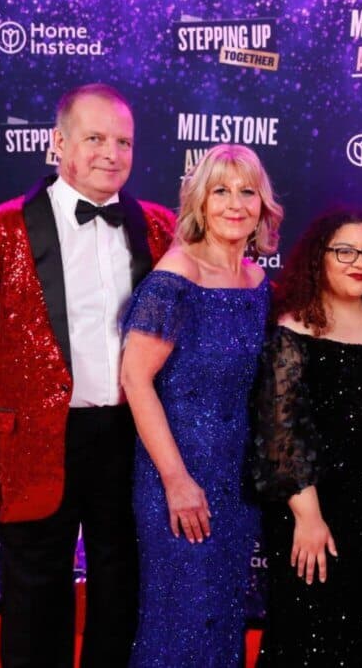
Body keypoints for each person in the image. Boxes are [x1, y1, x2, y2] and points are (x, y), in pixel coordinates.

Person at [0, 84, 174, 668]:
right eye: (95, 138)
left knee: (122, 591)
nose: (111, 154)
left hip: (129, 437)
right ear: (58, 143)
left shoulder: (161, 228)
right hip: (34, 443)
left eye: (123, 142)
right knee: (35, 598)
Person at [119, 144, 281, 666]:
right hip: (179, 475)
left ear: (262, 204)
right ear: (199, 203)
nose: (235, 204)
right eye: (220, 191)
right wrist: (175, 480)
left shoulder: (258, 282)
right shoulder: (176, 276)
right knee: (180, 622)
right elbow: (135, 380)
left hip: (236, 482)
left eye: (246, 191)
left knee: (221, 616)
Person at [254, 208, 362, 666]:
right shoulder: (292, 331)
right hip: (316, 513)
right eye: (344, 251)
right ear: (317, 258)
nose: (358, 261)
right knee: (311, 634)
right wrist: (308, 516)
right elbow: (279, 434)